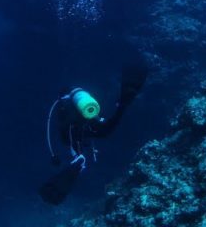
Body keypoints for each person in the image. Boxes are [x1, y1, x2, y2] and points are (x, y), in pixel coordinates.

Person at [39, 62, 149, 205]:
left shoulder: (62, 104)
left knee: (76, 144)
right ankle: (122, 104)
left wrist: (54, 155)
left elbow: (56, 129)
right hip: (88, 122)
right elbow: (92, 119)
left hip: (77, 129)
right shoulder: (77, 100)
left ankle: (77, 160)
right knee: (105, 131)